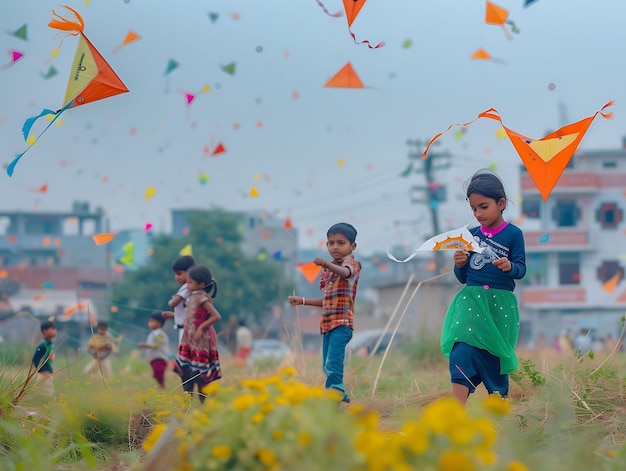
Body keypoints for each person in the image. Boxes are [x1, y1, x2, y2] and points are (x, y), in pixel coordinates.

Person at [440, 170, 526, 406]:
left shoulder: (513, 234)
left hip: (499, 307)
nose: (478, 214)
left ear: (500, 204)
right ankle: (457, 412)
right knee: (461, 350)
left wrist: (510, 266)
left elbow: (521, 268)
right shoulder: (470, 236)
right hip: (471, 302)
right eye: (473, 209)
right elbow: (463, 277)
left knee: (494, 356)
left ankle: (497, 409)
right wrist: (459, 264)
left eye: (483, 207)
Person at [288, 222, 360, 404]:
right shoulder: (330, 271)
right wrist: (303, 301)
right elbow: (327, 301)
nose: (335, 247)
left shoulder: (351, 263)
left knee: (332, 364)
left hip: (342, 324)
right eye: (331, 243)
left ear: (352, 246)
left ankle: (333, 397)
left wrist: (327, 264)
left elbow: (346, 272)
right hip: (327, 324)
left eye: (341, 243)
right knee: (325, 366)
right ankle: (339, 394)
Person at [173, 265, 222, 402]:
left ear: (201, 284)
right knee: (186, 370)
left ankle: (202, 404)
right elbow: (193, 316)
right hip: (189, 339)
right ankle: (188, 402)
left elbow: (216, 316)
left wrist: (201, 328)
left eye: (190, 282)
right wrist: (173, 315)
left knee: (200, 374)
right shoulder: (192, 297)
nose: (187, 285)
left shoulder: (202, 298)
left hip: (200, 340)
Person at [163, 255, 196, 345]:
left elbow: (173, 303)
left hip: (185, 329)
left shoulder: (187, 287)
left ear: (189, 272)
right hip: (187, 327)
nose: (176, 277)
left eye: (179, 274)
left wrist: (172, 300)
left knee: (184, 356)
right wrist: (175, 315)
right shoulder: (190, 287)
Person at [137, 311, 171, 388]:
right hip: (153, 359)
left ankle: (162, 387)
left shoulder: (160, 334)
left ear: (159, 323)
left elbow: (156, 345)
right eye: (149, 321)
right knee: (156, 374)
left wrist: (144, 345)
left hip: (160, 358)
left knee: (158, 372)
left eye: (152, 321)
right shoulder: (153, 333)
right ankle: (160, 386)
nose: (149, 323)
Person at [32, 320, 57, 394]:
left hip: (48, 372)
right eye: (52, 329)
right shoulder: (43, 345)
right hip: (43, 374)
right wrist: (43, 370)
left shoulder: (50, 344)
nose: (54, 331)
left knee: (47, 390)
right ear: (45, 331)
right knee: (47, 391)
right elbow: (36, 359)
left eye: (55, 329)